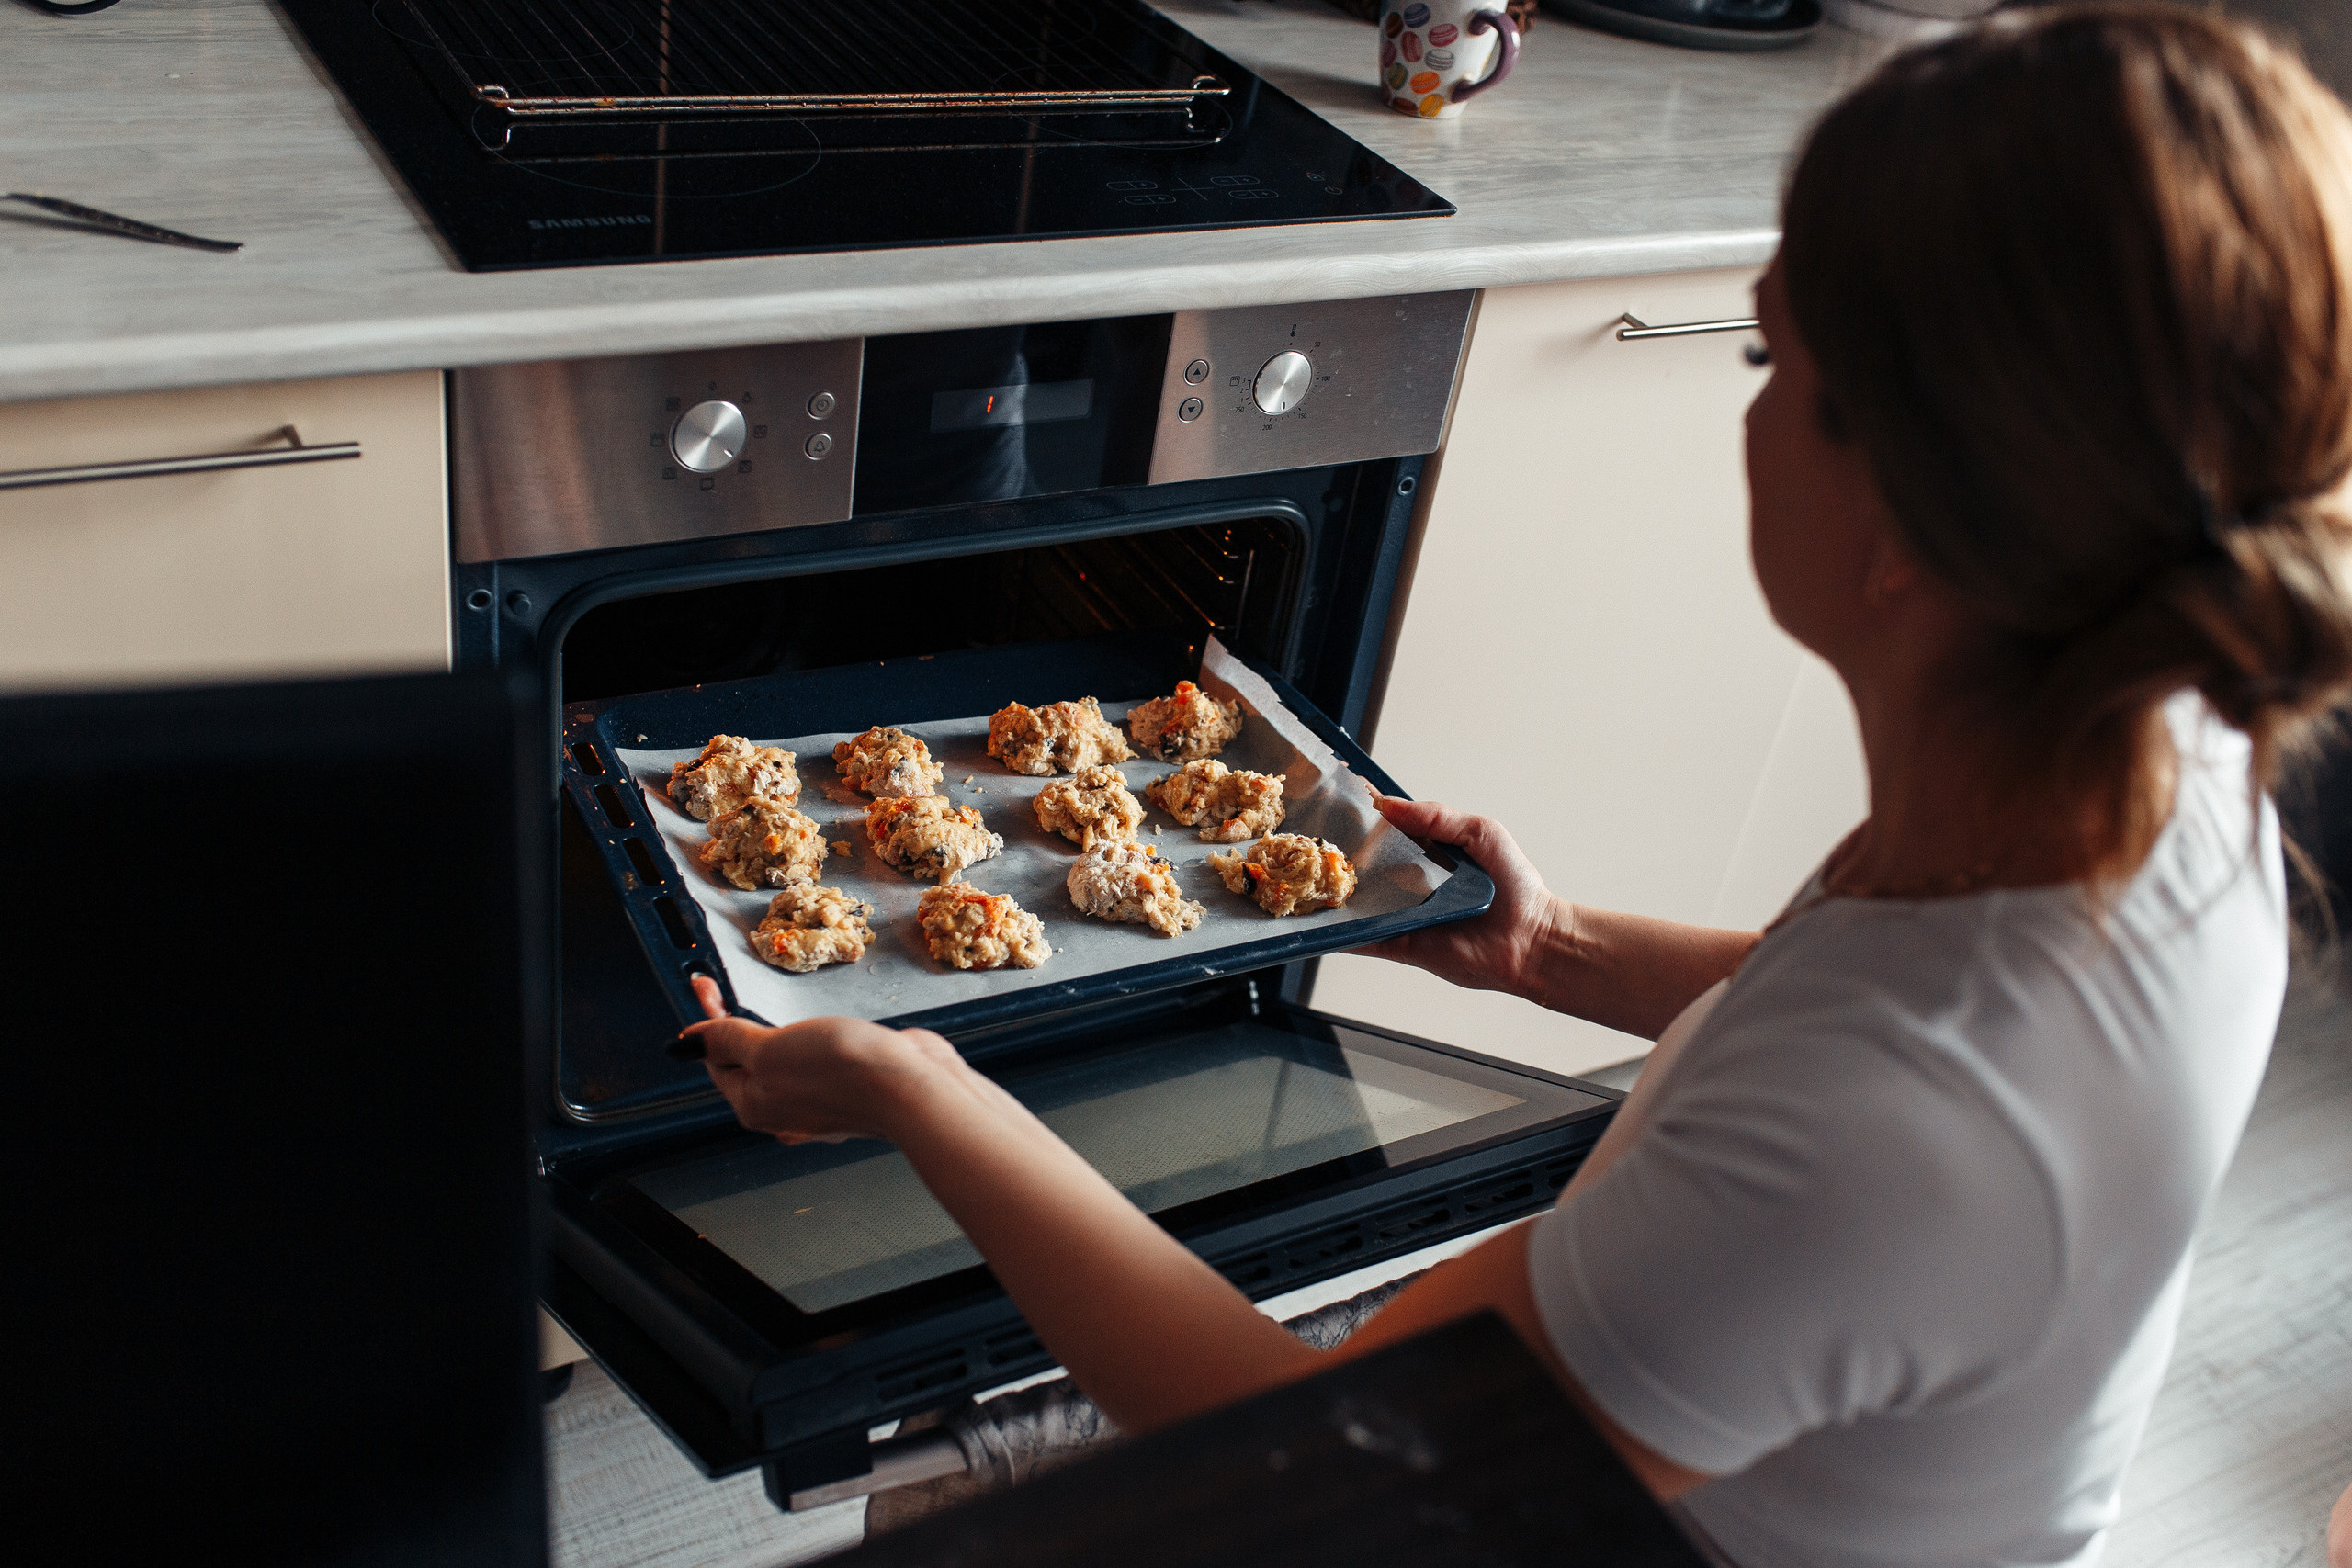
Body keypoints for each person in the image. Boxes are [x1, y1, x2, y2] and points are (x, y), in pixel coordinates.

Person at [677, 6, 2352, 1563]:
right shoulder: (2163, 761)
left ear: (1911, 519)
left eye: (1771, 366)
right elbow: (1832, 1028)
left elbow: (1322, 1447)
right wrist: (1550, 955)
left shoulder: (1898, 1128)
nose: (1744, 419)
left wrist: (926, 1091)